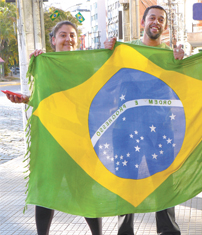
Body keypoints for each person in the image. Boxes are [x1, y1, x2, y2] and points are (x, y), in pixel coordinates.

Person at [5, 20, 102, 235]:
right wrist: (25, 100)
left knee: (85, 194)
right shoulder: (43, 64)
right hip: (51, 141)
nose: (68, 39)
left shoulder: (85, 66)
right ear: (53, 40)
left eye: (72, 35)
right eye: (63, 35)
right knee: (47, 194)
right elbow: (44, 100)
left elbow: (93, 99)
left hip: (78, 140)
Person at [104, 5, 183, 235]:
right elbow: (100, 75)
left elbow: (186, 86)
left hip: (161, 130)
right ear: (143, 22)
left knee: (163, 182)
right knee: (126, 184)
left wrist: (182, 61)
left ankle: (168, 231)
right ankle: (124, 231)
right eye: (151, 18)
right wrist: (105, 50)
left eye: (161, 19)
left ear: (165, 26)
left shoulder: (171, 56)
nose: (155, 22)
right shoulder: (124, 52)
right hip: (125, 130)